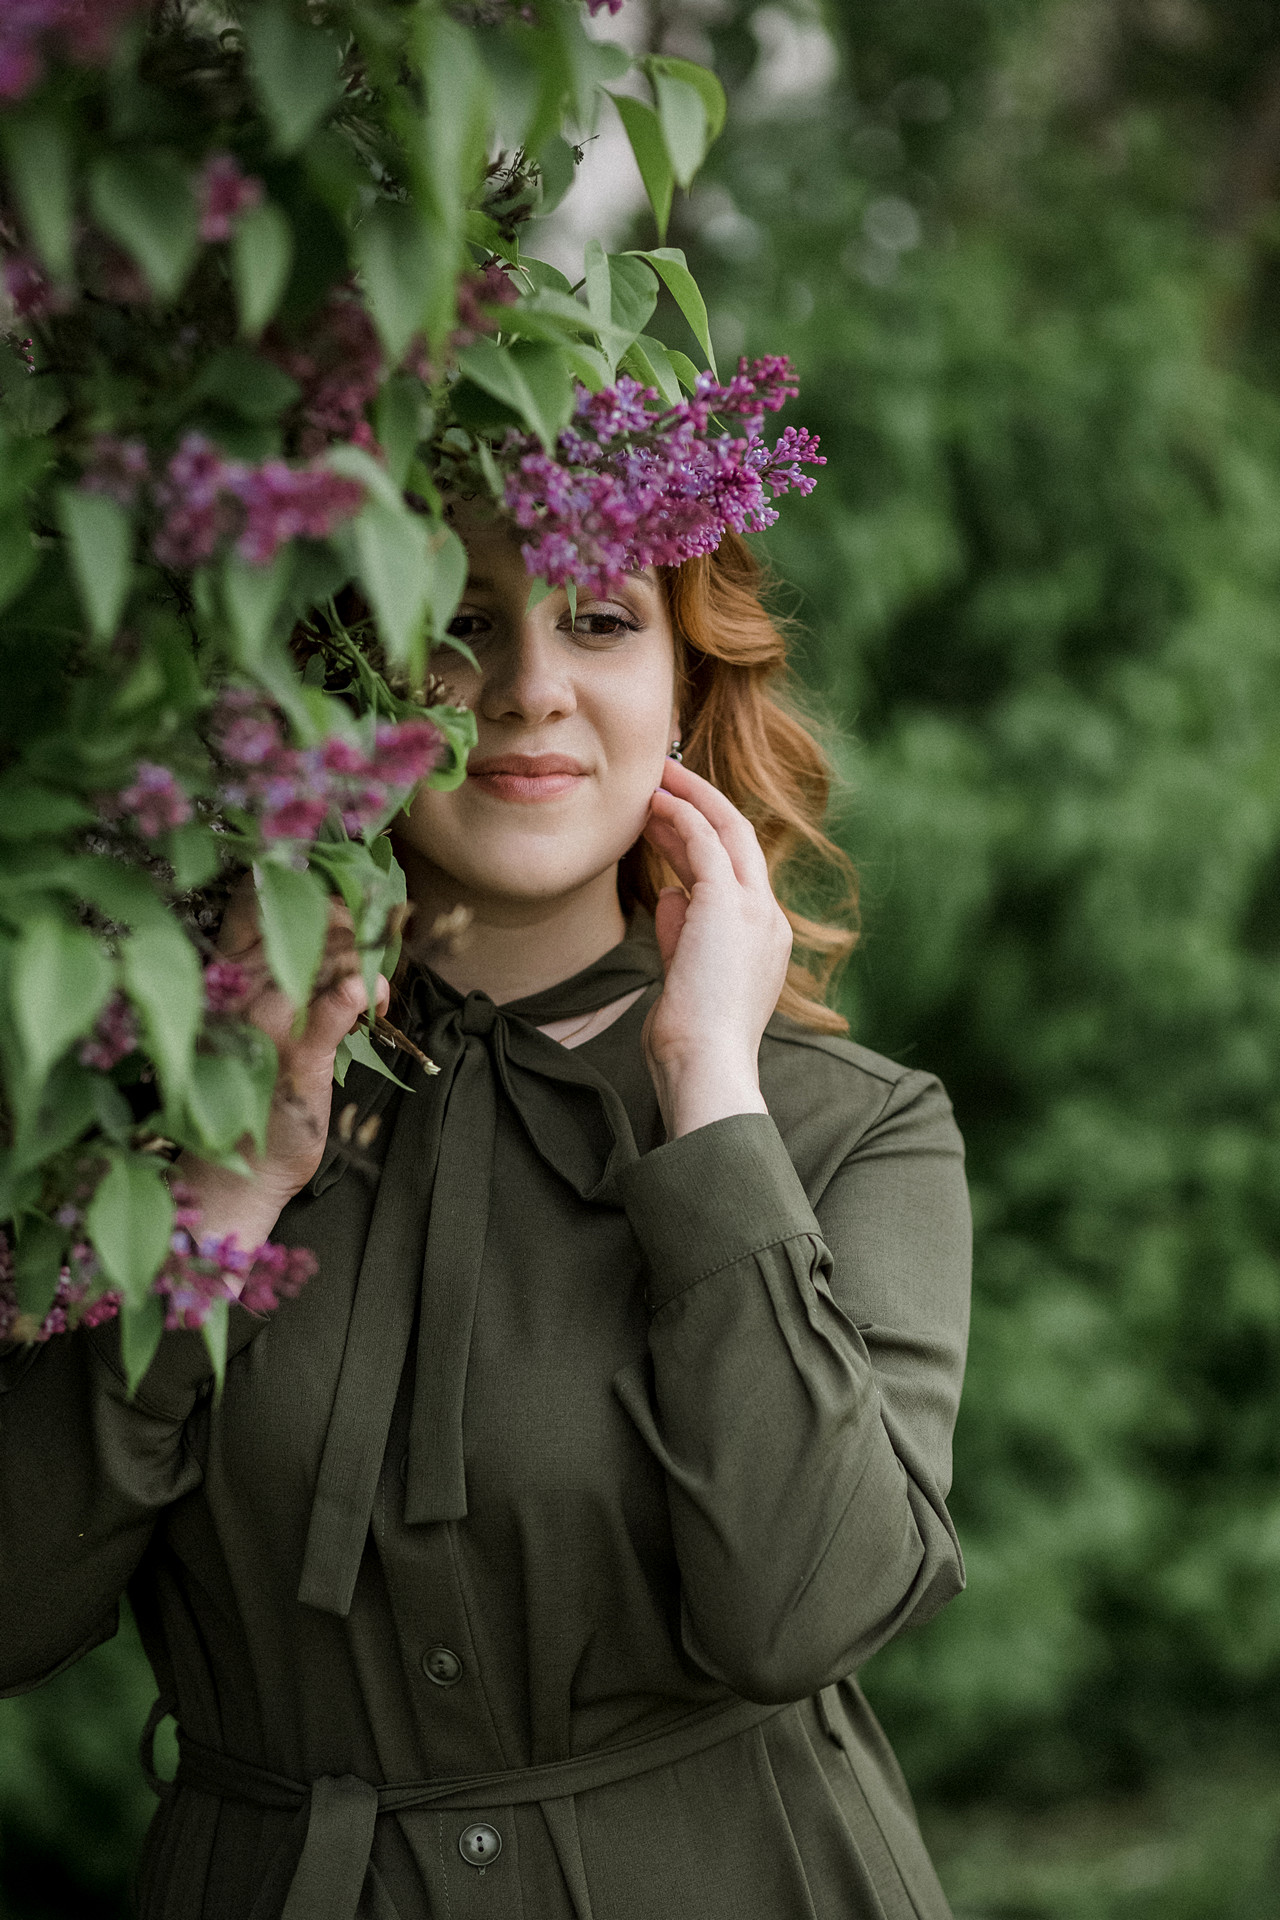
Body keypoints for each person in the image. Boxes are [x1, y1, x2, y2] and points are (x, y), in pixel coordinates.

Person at [0, 513, 972, 1920]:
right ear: (327, 681)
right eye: (454, 625)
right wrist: (212, 1213)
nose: (525, 686)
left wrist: (710, 1098)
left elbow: (805, 1614)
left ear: (687, 683)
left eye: (599, 620)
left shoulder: (849, 1129)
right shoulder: (127, 1107)